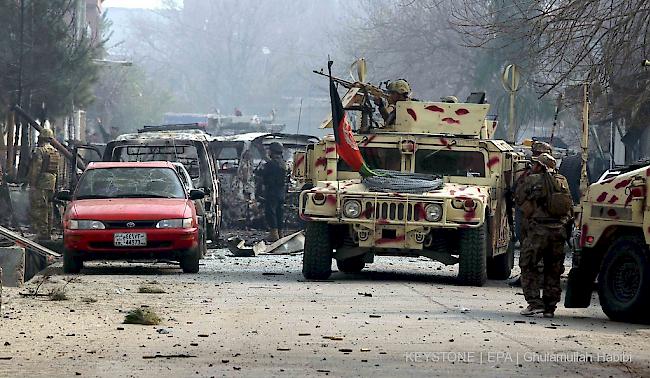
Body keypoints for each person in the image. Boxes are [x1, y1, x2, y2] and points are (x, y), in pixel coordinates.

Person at [515, 153, 572, 318]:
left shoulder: (533, 180)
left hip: (538, 231)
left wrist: (530, 213)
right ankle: (549, 307)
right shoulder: (562, 181)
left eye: (535, 164)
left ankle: (534, 303)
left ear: (540, 166)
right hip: (558, 232)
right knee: (553, 270)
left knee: (528, 265)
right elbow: (568, 205)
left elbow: (518, 197)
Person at [510, 140, 553, 288]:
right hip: (543, 218)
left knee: (530, 249)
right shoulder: (555, 177)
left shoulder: (533, 175)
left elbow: (518, 191)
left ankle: (530, 278)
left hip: (531, 217)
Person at [27, 128, 60, 241]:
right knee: (49, 207)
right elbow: (57, 170)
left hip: (41, 182)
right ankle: (48, 231)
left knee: (40, 207)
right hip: (52, 181)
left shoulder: (40, 151)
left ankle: (42, 232)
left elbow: (36, 168)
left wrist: (32, 183)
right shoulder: (55, 151)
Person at [259, 142, 287, 242]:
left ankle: (274, 234)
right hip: (281, 192)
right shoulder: (283, 163)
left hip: (272, 191)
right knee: (279, 213)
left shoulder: (270, 164)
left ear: (272, 151)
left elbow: (265, 178)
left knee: (270, 212)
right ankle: (280, 233)